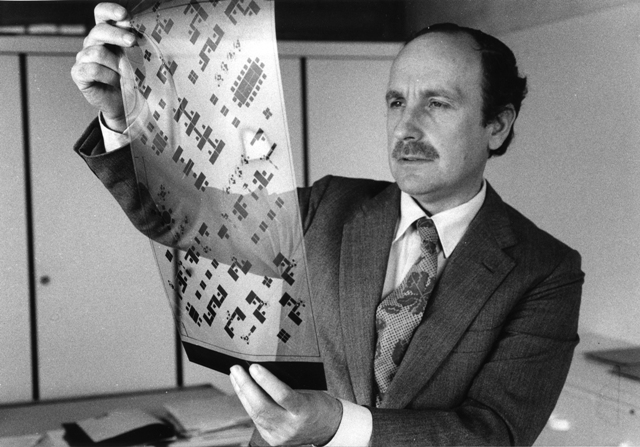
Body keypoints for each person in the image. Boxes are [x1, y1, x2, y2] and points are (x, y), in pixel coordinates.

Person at [71, 3, 584, 446]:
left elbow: (496, 434)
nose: (406, 127)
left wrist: (338, 426)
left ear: (497, 125)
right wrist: (122, 116)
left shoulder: (545, 270)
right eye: (396, 102)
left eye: (437, 103)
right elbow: (182, 218)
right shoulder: (330, 206)